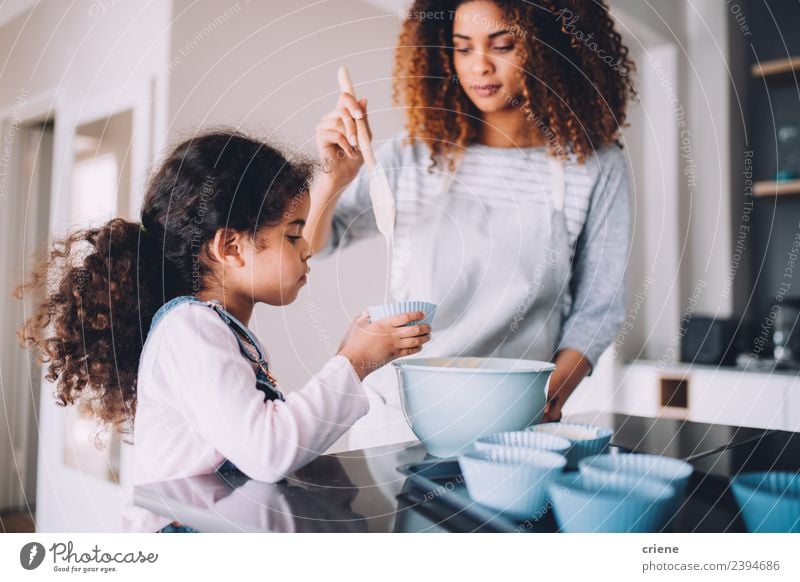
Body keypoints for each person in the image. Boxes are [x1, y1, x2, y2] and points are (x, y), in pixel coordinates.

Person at [15, 130, 431, 532]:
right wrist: (353, 363)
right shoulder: (190, 329)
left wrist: (349, 355)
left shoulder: (212, 329)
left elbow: (269, 440)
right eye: (293, 234)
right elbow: (268, 451)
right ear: (230, 247)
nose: (307, 248)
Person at [307, 0, 634, 449]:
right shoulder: (415, 154)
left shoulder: (594, 166)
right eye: (463, 48)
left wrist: (549, 394)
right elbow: (318, 244)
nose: (480, 65)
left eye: (503, 45)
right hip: (397, 412)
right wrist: (331, 181)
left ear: (550, 48)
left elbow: (597, 310)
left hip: (514, 415)